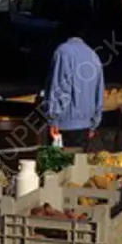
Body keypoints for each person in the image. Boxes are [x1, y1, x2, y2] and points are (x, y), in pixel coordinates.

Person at [45, 16, 104, 149]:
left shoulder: (63, 52)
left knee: (61, 167)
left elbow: (59, 87)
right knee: (80, 166)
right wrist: (94, 123)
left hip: (65, 124)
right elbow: (98, 93)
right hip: (85, 125)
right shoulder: (93, 55)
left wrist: (53, 119)